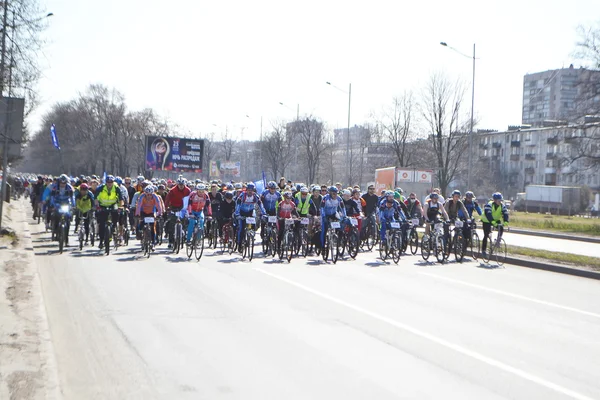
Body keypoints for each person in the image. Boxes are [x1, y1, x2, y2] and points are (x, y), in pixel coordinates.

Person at [94, 175, 124, 249]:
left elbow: (121, 199)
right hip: (102, 205)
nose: (109, 183)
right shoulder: (100, 188)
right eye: (108, 182)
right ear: (106, 182)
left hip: (113, 205)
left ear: (113, 182)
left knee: (116, 215)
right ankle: (101, 241)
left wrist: (121, 206)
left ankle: (114, 228)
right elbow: (95, 198)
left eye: (111, 182)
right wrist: (97, 206)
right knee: (101, 224)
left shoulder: (116, 188)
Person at [234, 183, 266, 249]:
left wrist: (264, 213)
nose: (250, 191)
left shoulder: (255, 196)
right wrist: (237, 214)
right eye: (248, 190)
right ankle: (239, 244)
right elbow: (238, 205)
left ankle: (250, 236)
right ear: (246, 190)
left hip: (250, 212)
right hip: (242, 212)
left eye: (251, 190)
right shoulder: (242, 195)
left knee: (252, 226)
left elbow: (261, 205)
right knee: (241, 228)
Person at [164, 176, 191, 248]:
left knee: (185, 221)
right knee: (171, 224)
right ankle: (171, 241)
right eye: (179, 185)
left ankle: (184, 234)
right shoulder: (172, 190)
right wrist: (167, 207)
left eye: (182, 185)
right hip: (174, 207)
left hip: (183, 208)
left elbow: (190, 200)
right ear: (177, 184)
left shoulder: (188, 190)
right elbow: (167, 199)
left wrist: (189, 208)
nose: (181, 186)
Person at [480, 192, 509, 257]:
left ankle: (498, 241)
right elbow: (488, 213)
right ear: (495, 200)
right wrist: (493, 222)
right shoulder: (489, 204)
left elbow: (505, 213)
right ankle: (483, 250)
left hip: (495, 220)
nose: (500, 202)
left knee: (501, 228)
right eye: (499, 200)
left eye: (501, 200)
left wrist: (506, 221)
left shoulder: (502, 205)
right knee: (486, 235)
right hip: (486, 220)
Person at [49, 174, 76, 243]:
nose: (62, 184)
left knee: (68, 220)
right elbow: (52, 197)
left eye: (64, 183)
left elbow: (72, 198)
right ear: (59, 182)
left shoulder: (69, 188)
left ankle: (66, 238)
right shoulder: (55, 187)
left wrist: (73, 205)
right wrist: (53, 204)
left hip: (66, 204)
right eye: (61, 182)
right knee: (55, 216)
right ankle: (55, 231)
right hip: (57, 204)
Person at [135, 185, 164, 249]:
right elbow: (139, 205)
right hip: (143, 211)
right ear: (145, 193)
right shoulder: (142, 196)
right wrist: (137, 214)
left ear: (152, 194)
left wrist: (160, 214)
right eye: (147, 194)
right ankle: (140, 234)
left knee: (152, 227)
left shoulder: (155, 197)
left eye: (150, 195)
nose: (149, 196)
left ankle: (153, 243)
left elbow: (158, 206)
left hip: (151, 212)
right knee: (141, 223)